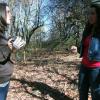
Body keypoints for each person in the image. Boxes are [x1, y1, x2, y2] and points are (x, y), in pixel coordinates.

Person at [0, 3, 26, 100]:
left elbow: (4, 52)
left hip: (4, 80)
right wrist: (9, 48)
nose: (11, 15)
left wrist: (13, 48)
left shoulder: (3, 33)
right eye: (8, 12)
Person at [78, 0, 100, 100]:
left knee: (96, 94)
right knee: (82, 91)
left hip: (96, 68)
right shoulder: (88, 28)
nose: (90, 16)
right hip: (84, 66)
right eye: (89, 13)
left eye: (93, 13)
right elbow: (86, 46)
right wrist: (77, 49)